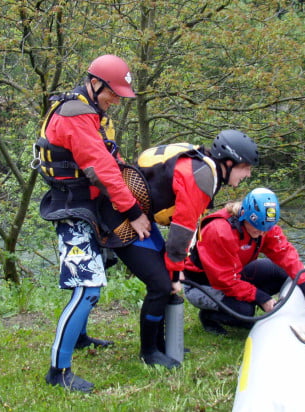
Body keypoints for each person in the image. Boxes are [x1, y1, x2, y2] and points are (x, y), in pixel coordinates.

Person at [34, 54, 151, 392]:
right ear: (95, 83)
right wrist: (133, 213)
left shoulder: (86, 110)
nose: (115, 99)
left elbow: (109, 157)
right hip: (73, 208)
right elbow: (101, 169)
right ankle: (58, 372)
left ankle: (81, 337)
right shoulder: (76, 115)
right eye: (113, 92)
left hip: (84, 203)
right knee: (87, 288)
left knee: (94, 274)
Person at [111, 130, 259, 369]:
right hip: (120, 218)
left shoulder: (202, 164)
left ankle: (160, 345)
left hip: (139, 215)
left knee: (164, 283)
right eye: (246, 168)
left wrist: (174, 269)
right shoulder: (202, 176)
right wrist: (176, 271)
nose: (248, 174)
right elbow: (182, 231)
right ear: (229, 163)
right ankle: (149, 352)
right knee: (161, 285)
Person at [183, 187, 305, 335]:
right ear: (245, 217)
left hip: (235, 272)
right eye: (257, 230)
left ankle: (257, 303)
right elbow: (224, 280)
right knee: (245, 311)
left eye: (266, 229)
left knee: (281, 272)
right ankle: (209, 316)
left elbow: (285, 253)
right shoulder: (219, 231)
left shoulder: (264, 225)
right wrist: (261, 298)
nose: (262, 234)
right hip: (203, 284)